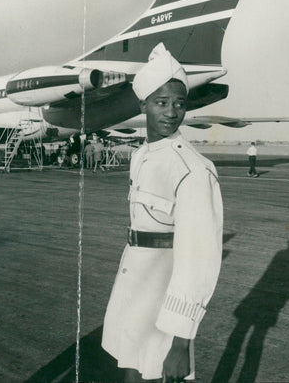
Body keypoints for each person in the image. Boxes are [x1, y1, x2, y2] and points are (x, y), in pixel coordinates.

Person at [102, 43, 224, 382]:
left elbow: (198, 260)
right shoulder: (141, 156)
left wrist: (181, 344)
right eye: (161, 102)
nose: (171, 112)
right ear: (143, 104)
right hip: (132, 294)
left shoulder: (193, 169)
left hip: (163, 311)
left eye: (179, 103)